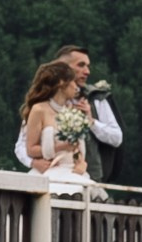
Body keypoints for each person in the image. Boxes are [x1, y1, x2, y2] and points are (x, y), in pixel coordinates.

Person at [11, 45, 123, 177]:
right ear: (63, 68)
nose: (87, 71)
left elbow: (117, 138)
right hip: (49, 174)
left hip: (86, 176)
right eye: (81, 65)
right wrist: (33, 163)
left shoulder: (96, 98)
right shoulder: (40, 107)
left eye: (88, 66)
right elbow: (22, 145)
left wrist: (91, 122)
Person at [20, 58, 90, 186]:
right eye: (73, 81)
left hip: (74, 172)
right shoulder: (39, 110)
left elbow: (77, 147)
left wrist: (81, 163)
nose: (76, 86)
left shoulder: (72, 111)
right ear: (61, 83)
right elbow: (30, 149)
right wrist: (61, 147)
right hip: (49, 170)